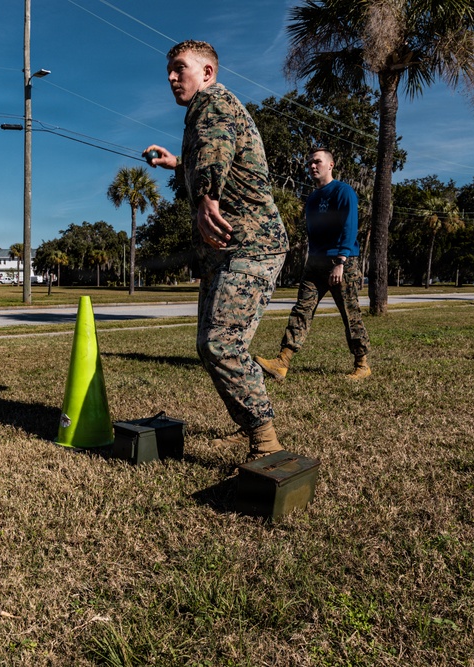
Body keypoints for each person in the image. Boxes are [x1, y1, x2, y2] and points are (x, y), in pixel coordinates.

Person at [144, 40, 289, 461]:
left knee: (220, 343)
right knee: (212, 346)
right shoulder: (203, 115)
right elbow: (216, 149)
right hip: (228, 250)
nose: (171, 78)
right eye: (168, 71)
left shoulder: (213, 102)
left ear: (206, 73)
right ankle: (250, 427)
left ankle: (265, 442)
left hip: (251, 244)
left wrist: (207, 196)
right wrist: (178, 164)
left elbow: (216, 151)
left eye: (179, 68)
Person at [254, 148, 371, 382]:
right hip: (315, 263)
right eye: (309, 164)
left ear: (331, 165)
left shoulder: (343, 191)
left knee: (350, 314)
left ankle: (362, 364)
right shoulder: (313, 199)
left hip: (341, 263)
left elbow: (349, 226)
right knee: (301, 310)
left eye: (317, 162)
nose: (312, 166)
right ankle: (282, 362)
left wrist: (340, 261)